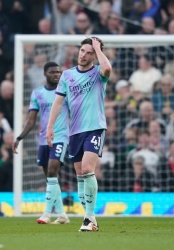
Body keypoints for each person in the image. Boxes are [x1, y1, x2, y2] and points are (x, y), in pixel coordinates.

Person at [46, 37, 112, 232]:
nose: (84, 55)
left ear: (95, 55)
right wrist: (50, 127)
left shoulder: (98, 74)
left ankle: (90, 218)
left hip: (95, 127)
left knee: (86, 168)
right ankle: (88, 218)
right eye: (82, 51)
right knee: (80, 176)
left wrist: (98, 48)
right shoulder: (67, 76)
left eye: (89, 53)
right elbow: (58, 103)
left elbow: (107, 68)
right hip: (74, 131)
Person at [12, 62, 70, 224]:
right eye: (53, 72)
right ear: (45, 74)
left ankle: (46, 213)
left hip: (60, 137)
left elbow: (75, 112)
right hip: (43, 140)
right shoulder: (37, 93)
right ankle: (62, 215)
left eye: (58, 72)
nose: (56, 74)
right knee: (51, 179)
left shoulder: (65, 92)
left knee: (52, 172)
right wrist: (19, 138)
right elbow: (31, 121)